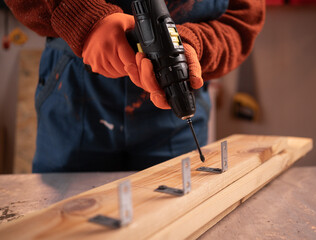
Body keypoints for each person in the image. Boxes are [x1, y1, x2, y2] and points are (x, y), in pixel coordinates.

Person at [5, 0, 265, 173]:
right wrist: (82, 18)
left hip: (177, 96)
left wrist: (195, 44)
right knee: (64, 219)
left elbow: (241, 21)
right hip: (74, 87)